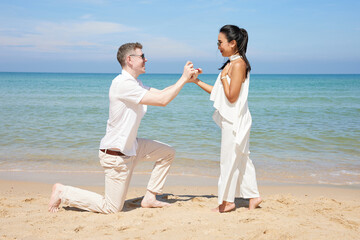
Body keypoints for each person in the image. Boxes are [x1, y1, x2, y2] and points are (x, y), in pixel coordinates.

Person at [49, 42, 198, 213]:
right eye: (142, 56)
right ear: (129, 60)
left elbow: (162, 92)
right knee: (112, 208)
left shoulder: (134, 83)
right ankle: (63, 191)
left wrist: (186, 80)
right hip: (116, 156)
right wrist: (183, 78)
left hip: (132, 148)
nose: (145, 59)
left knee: (167, 153)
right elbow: (163, 100)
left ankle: (150, 197)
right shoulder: (123, 85)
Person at [190, 25, 262, 212]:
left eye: (220, 43)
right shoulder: (231, 63)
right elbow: (218, 93)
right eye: (218, 43)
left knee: (228, 160)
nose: (218, 47)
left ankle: (228, 202)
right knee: (243, 158)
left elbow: (231, 97)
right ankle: (254, 196)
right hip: (236, 118)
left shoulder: (238, 64)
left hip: (235, 121)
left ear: (233, 43)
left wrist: (223, 78)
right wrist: (196, 81)